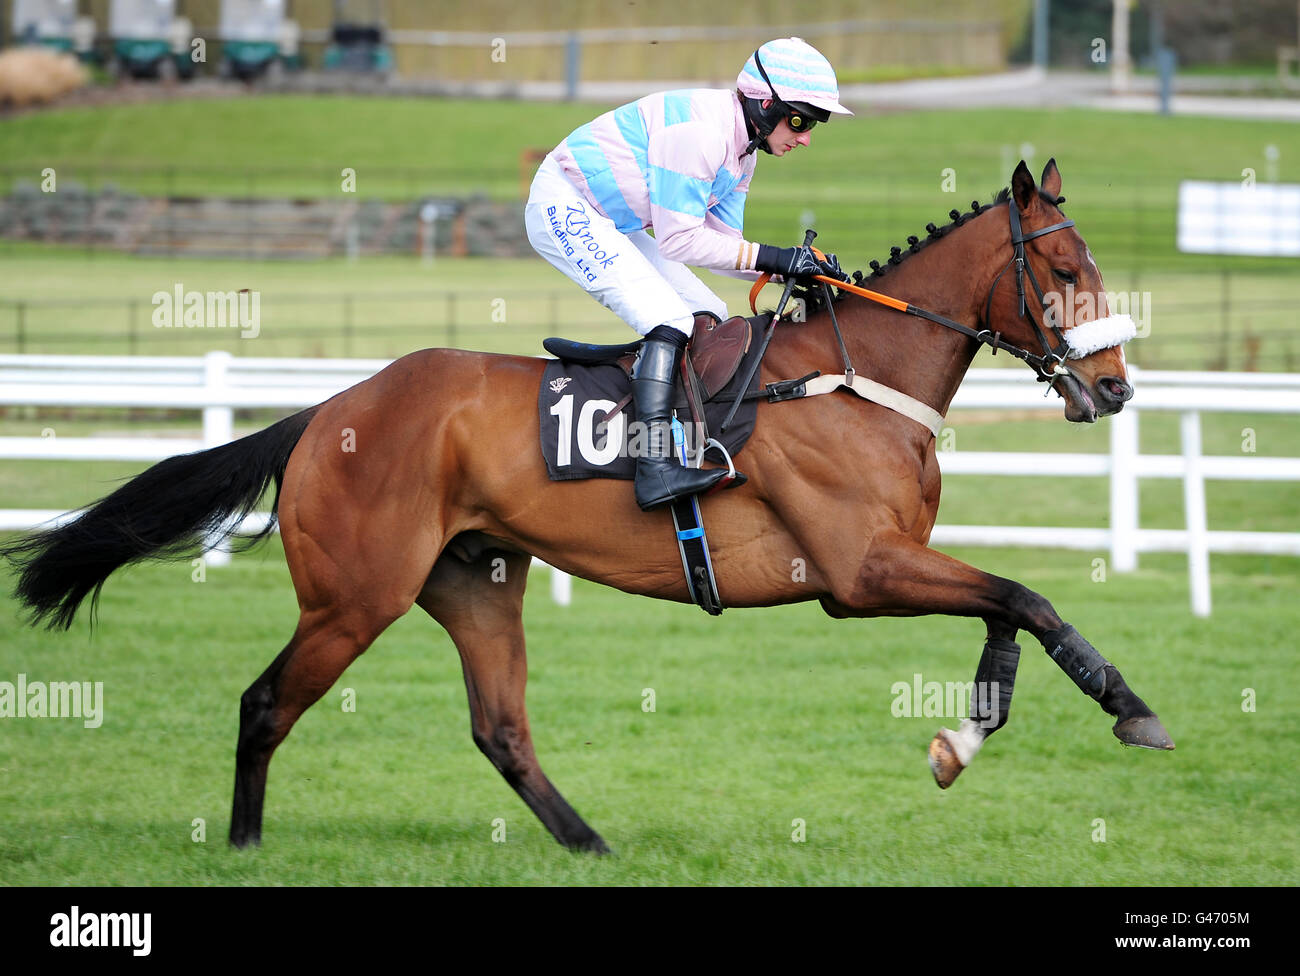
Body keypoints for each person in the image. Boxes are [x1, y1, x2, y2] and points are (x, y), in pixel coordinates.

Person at [525, 37, 852, 511]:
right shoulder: (704, 135)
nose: (804, 137)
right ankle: (654, 468)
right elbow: (680, 242)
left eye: (812, 125)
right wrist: (776, 257)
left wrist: (794, 273)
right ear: (765, 105)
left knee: (709, 311)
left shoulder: (744, 151)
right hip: (564, 204)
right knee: (671, 322)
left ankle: (689, 438)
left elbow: (723, 248)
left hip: (613, 220)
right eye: (799, 120)